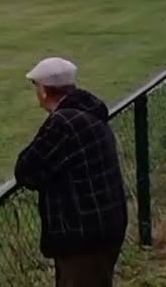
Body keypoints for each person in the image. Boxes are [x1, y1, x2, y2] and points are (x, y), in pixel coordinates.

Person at [14, 57, 127, 287]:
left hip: (83, 238)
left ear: (45, 90)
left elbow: (27, 170)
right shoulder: (89, 112)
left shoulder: (64, 122)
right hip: (106, 226)